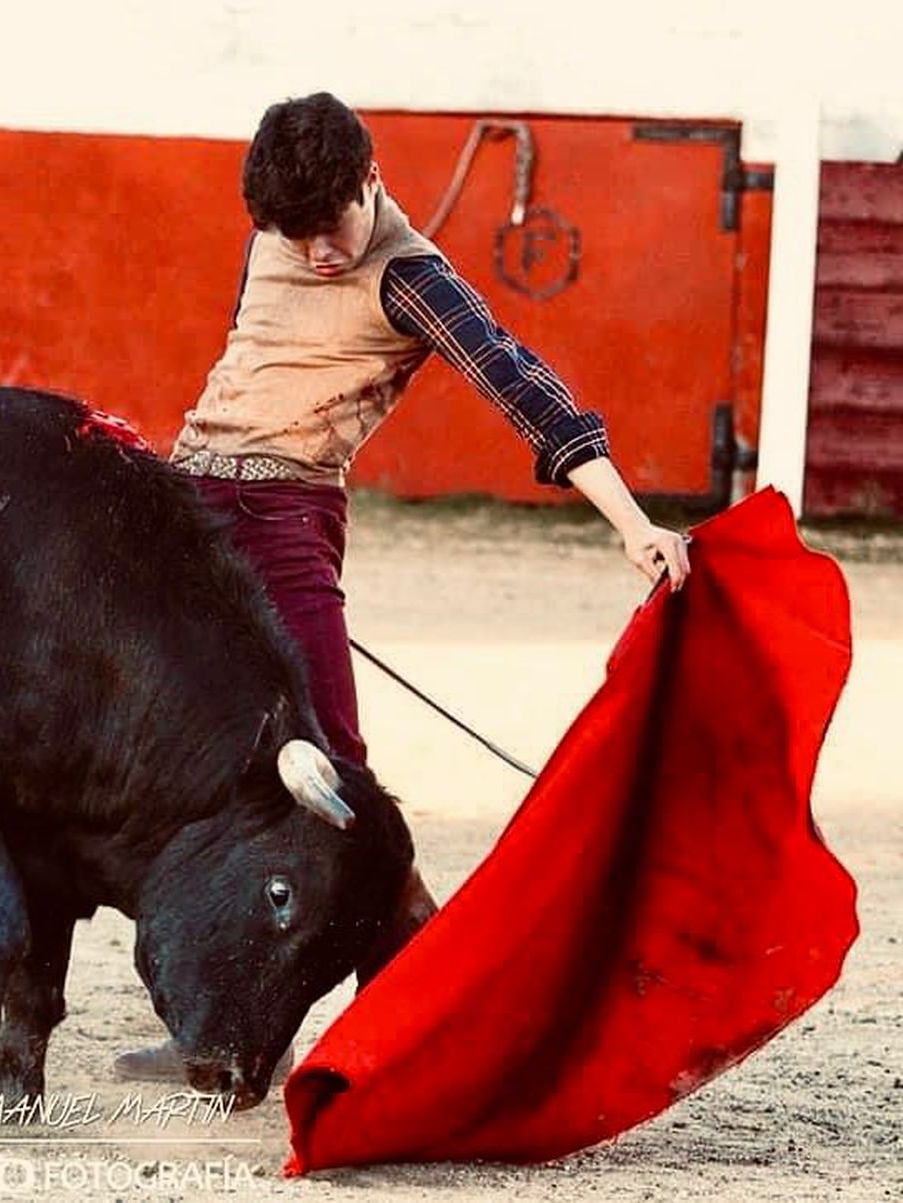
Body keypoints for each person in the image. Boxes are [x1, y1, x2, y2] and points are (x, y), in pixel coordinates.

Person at [113, 92, 690, 1084]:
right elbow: (245, 369)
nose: (319, 257)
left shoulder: (410, 277)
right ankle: (234, 1034)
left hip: (287, 527)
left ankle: (401, 1032)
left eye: (330, 230)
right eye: (294, 236)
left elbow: (521, 386)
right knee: (195, 778)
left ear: (369, 182)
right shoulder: (275, 237)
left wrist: (633, 524)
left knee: (334, 782)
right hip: (187, 521)